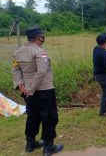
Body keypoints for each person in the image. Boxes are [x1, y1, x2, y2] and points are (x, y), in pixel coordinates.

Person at [12, 27, 63, 155]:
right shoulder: (40, 52)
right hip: (43, 90)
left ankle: (31, 143)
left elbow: (16, 70)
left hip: (27, 92)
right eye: (42, 36)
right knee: (49, 117)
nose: (43, 38)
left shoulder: (18, 51)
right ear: (39, 37)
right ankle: (49, 146)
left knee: (33, 116)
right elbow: (41, 72)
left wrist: (20, 84)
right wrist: (31, 89)